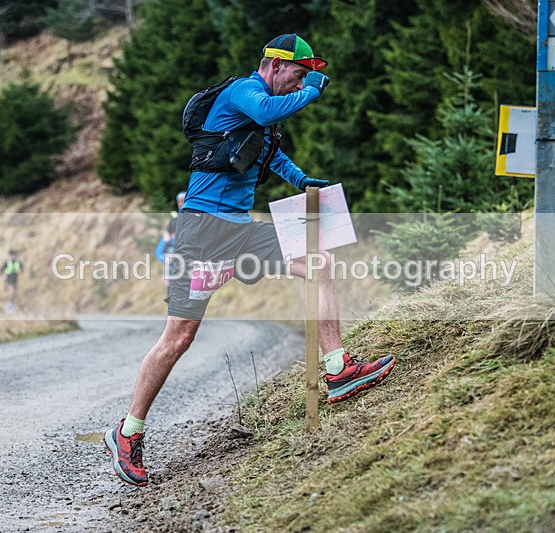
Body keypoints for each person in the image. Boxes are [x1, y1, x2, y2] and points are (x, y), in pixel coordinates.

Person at [104, 34, 396, 487]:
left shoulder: (261, 114)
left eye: (305, 77)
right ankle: (127, 432)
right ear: (276, 65)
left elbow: (269, 153)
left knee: (318, 262)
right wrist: (313, 91)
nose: (299, 83)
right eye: (298, 74)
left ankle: (338, 369)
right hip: (201, 233)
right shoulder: (244, 92)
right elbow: (265, 113)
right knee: (178, 338)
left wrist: (301, 180)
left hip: (238, 232)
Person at [154, 191, 186, 293]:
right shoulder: (173, 221)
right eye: (180, 201)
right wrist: (167, 259)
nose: (183, 203)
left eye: (184, 200)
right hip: (173, 277)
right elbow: (158, 252)